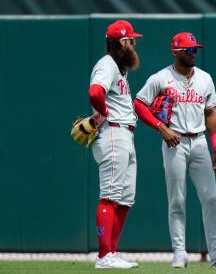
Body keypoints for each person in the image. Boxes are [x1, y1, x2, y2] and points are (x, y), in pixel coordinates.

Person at [134, 32, 216, 269]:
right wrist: (161, 127)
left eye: (195, 49)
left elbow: (211, 113)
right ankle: (179, 252)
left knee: (211, 197)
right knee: (177, 200)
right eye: (189, 49)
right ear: (175, 51)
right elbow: (139, 104)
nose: (193, 53)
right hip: (174, 143)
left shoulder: (205, 78)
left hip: (200, 141)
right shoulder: (161, 78)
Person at [88, 20, 142, 269]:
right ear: (121, 42)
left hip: (125, 134)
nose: (133, 45)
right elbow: (95, 92)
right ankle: (103, 256)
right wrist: (103, 113)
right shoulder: (107, 65)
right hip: (113, 133)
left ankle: (112, 252)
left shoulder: (120, 69)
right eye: (131, 40)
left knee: (124, 199)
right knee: (109, 196)